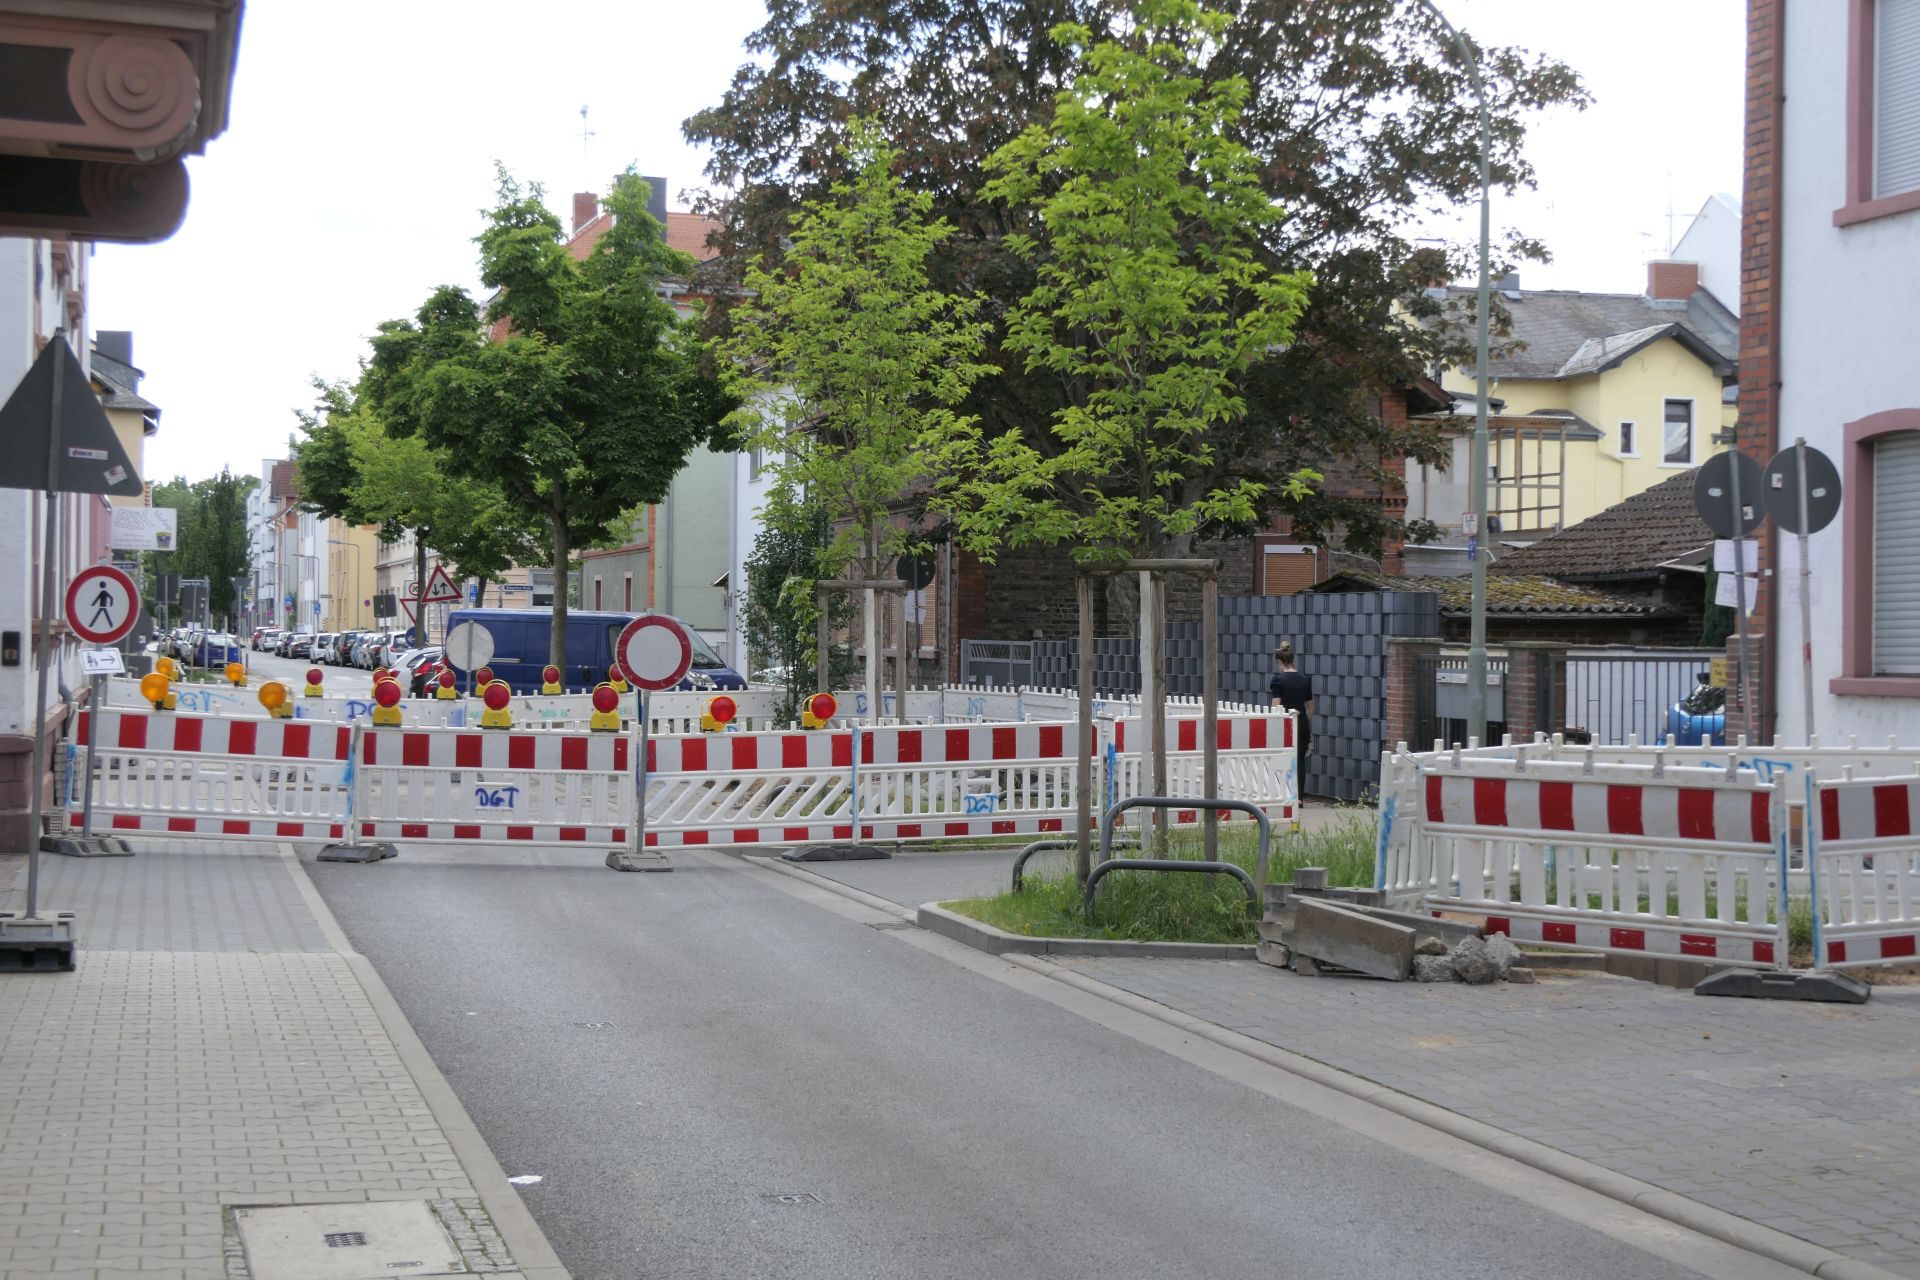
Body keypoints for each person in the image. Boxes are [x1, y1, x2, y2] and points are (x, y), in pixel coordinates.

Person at [1268, 641, 1313, 796]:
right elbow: (1310, 706)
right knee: (1300, 760)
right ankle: (1299, 798)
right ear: (1292, 660)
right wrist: (1306, 721)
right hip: (1301, 722)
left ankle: (1284, 793)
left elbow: (1276, 705)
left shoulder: (1278, 680)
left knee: (1282, 758)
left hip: (1284, 723)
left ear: (1279, 661)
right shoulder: (1305, 679)